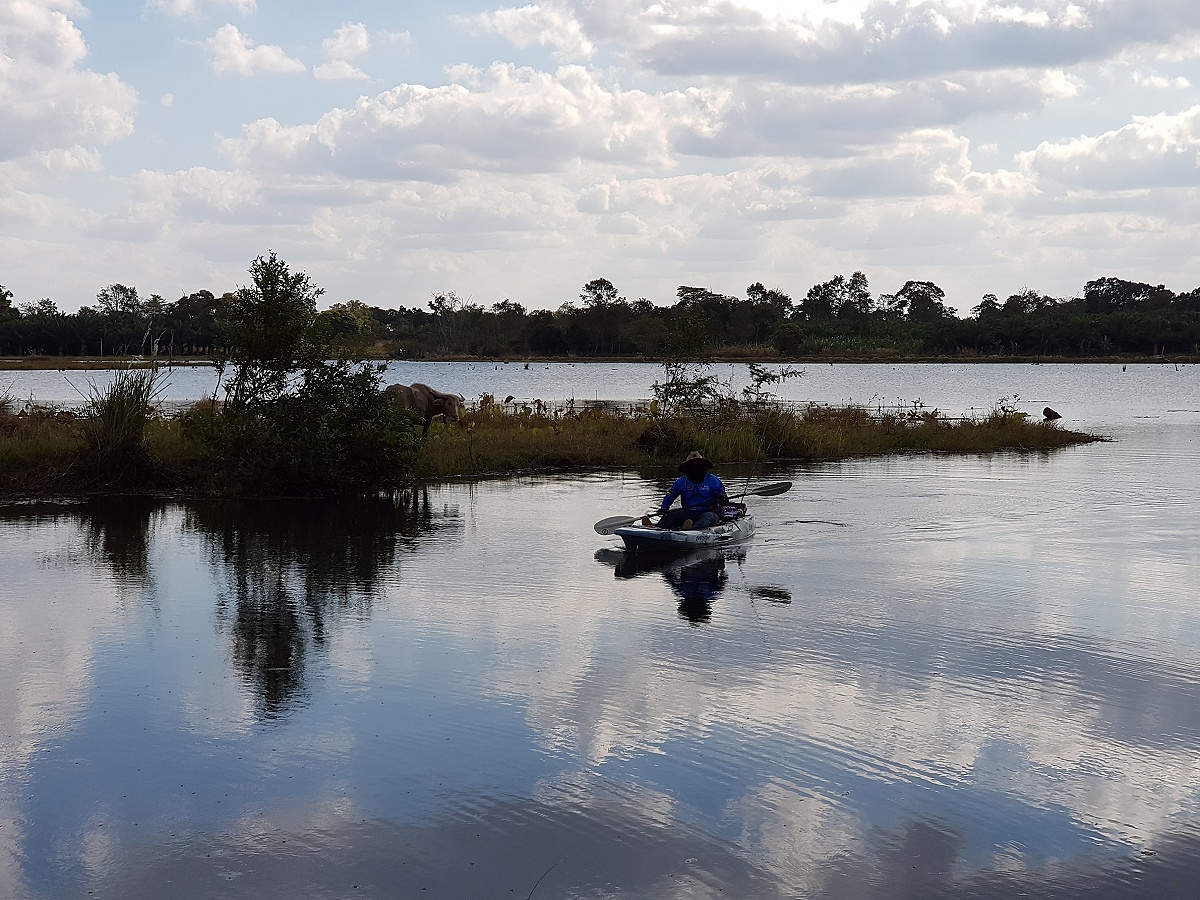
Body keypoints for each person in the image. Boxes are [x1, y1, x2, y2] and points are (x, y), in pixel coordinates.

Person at [643, 450, 728, 530]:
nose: (696, 467)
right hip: (688, 512)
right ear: (688, 468)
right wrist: (664, 508)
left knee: (706, 518)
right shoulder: (681, 482)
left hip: (709, 512)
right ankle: (656, 528)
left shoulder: (713, 480)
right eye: (693, 465)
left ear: (703, 466)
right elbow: (670, 495)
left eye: (698, 465)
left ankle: (691, 530)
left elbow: (721, 493)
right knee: (670, 515)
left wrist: (721, 497)